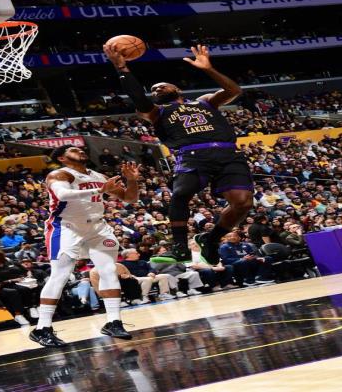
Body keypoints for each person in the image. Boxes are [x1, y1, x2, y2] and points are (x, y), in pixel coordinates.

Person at [104, 43, 253, 265]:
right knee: (181, 193)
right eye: (154, 89)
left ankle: (211, 240)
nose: (157, 89)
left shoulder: (205, 102)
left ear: (177, 90)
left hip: (228, 153)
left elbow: (234, 91)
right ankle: (180, 247)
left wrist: (208, 69)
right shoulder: (156, 112)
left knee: (243, 203)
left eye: (162, 86)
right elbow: (138, 97)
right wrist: (122, 68)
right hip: (192, 155)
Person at [29, 145, 140, 347]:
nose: (80, 151)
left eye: (80, 149)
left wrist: (132, 180)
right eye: (73, 150)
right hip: (66, 227)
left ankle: (113, 322)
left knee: (108, 270)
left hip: (97, 227)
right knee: (60, 275)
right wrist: (100, 190)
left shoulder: (98, 175)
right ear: (62, 158)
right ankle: (42, 328)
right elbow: (62, 195)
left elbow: (130, 198)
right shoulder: (60, 174)